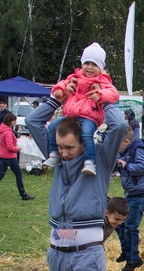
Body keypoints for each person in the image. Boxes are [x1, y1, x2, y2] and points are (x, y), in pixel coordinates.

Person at [26, 89, 129, 271]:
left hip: (86, 255)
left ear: (81, 144)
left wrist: (105, 101)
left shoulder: (97, 158)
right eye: (59, 147)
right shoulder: (57, 157)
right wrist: (56, 99)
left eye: (70, 147)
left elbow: (120, 127)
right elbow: (33, 120)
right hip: (57, 253)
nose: (64, 152)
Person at [44, 42, 120, 176]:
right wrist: (59, 90)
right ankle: (55, 153)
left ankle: (90, 161)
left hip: (89, 116)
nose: (90, 68)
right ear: (82, 64)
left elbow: (113, 93)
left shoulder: (102, 80)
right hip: (70, 114)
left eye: (94, 65)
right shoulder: (75, 76)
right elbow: (62, 83)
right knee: (52, 126)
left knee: (86, 134)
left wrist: (100, 95)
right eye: (87, 63)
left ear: (100, 67)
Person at [115, 128, 144, 271]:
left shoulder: (138, 149)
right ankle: (126, 251)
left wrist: (126, 166)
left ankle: (133, 259)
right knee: (120, 223)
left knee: (130, 226)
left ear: (126, 141)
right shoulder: (125, 150)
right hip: (131, 192)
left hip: (140, 193)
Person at [0, 112, 35, 200]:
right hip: (9, 156)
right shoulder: (8, 132)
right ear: (9, 121)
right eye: (14, 120)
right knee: (18, 174)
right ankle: (23, 194)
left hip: (3, 155)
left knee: (0, 175)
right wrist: (18, 148)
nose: (15, 122)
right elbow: (10, 147)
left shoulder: (3, 130)